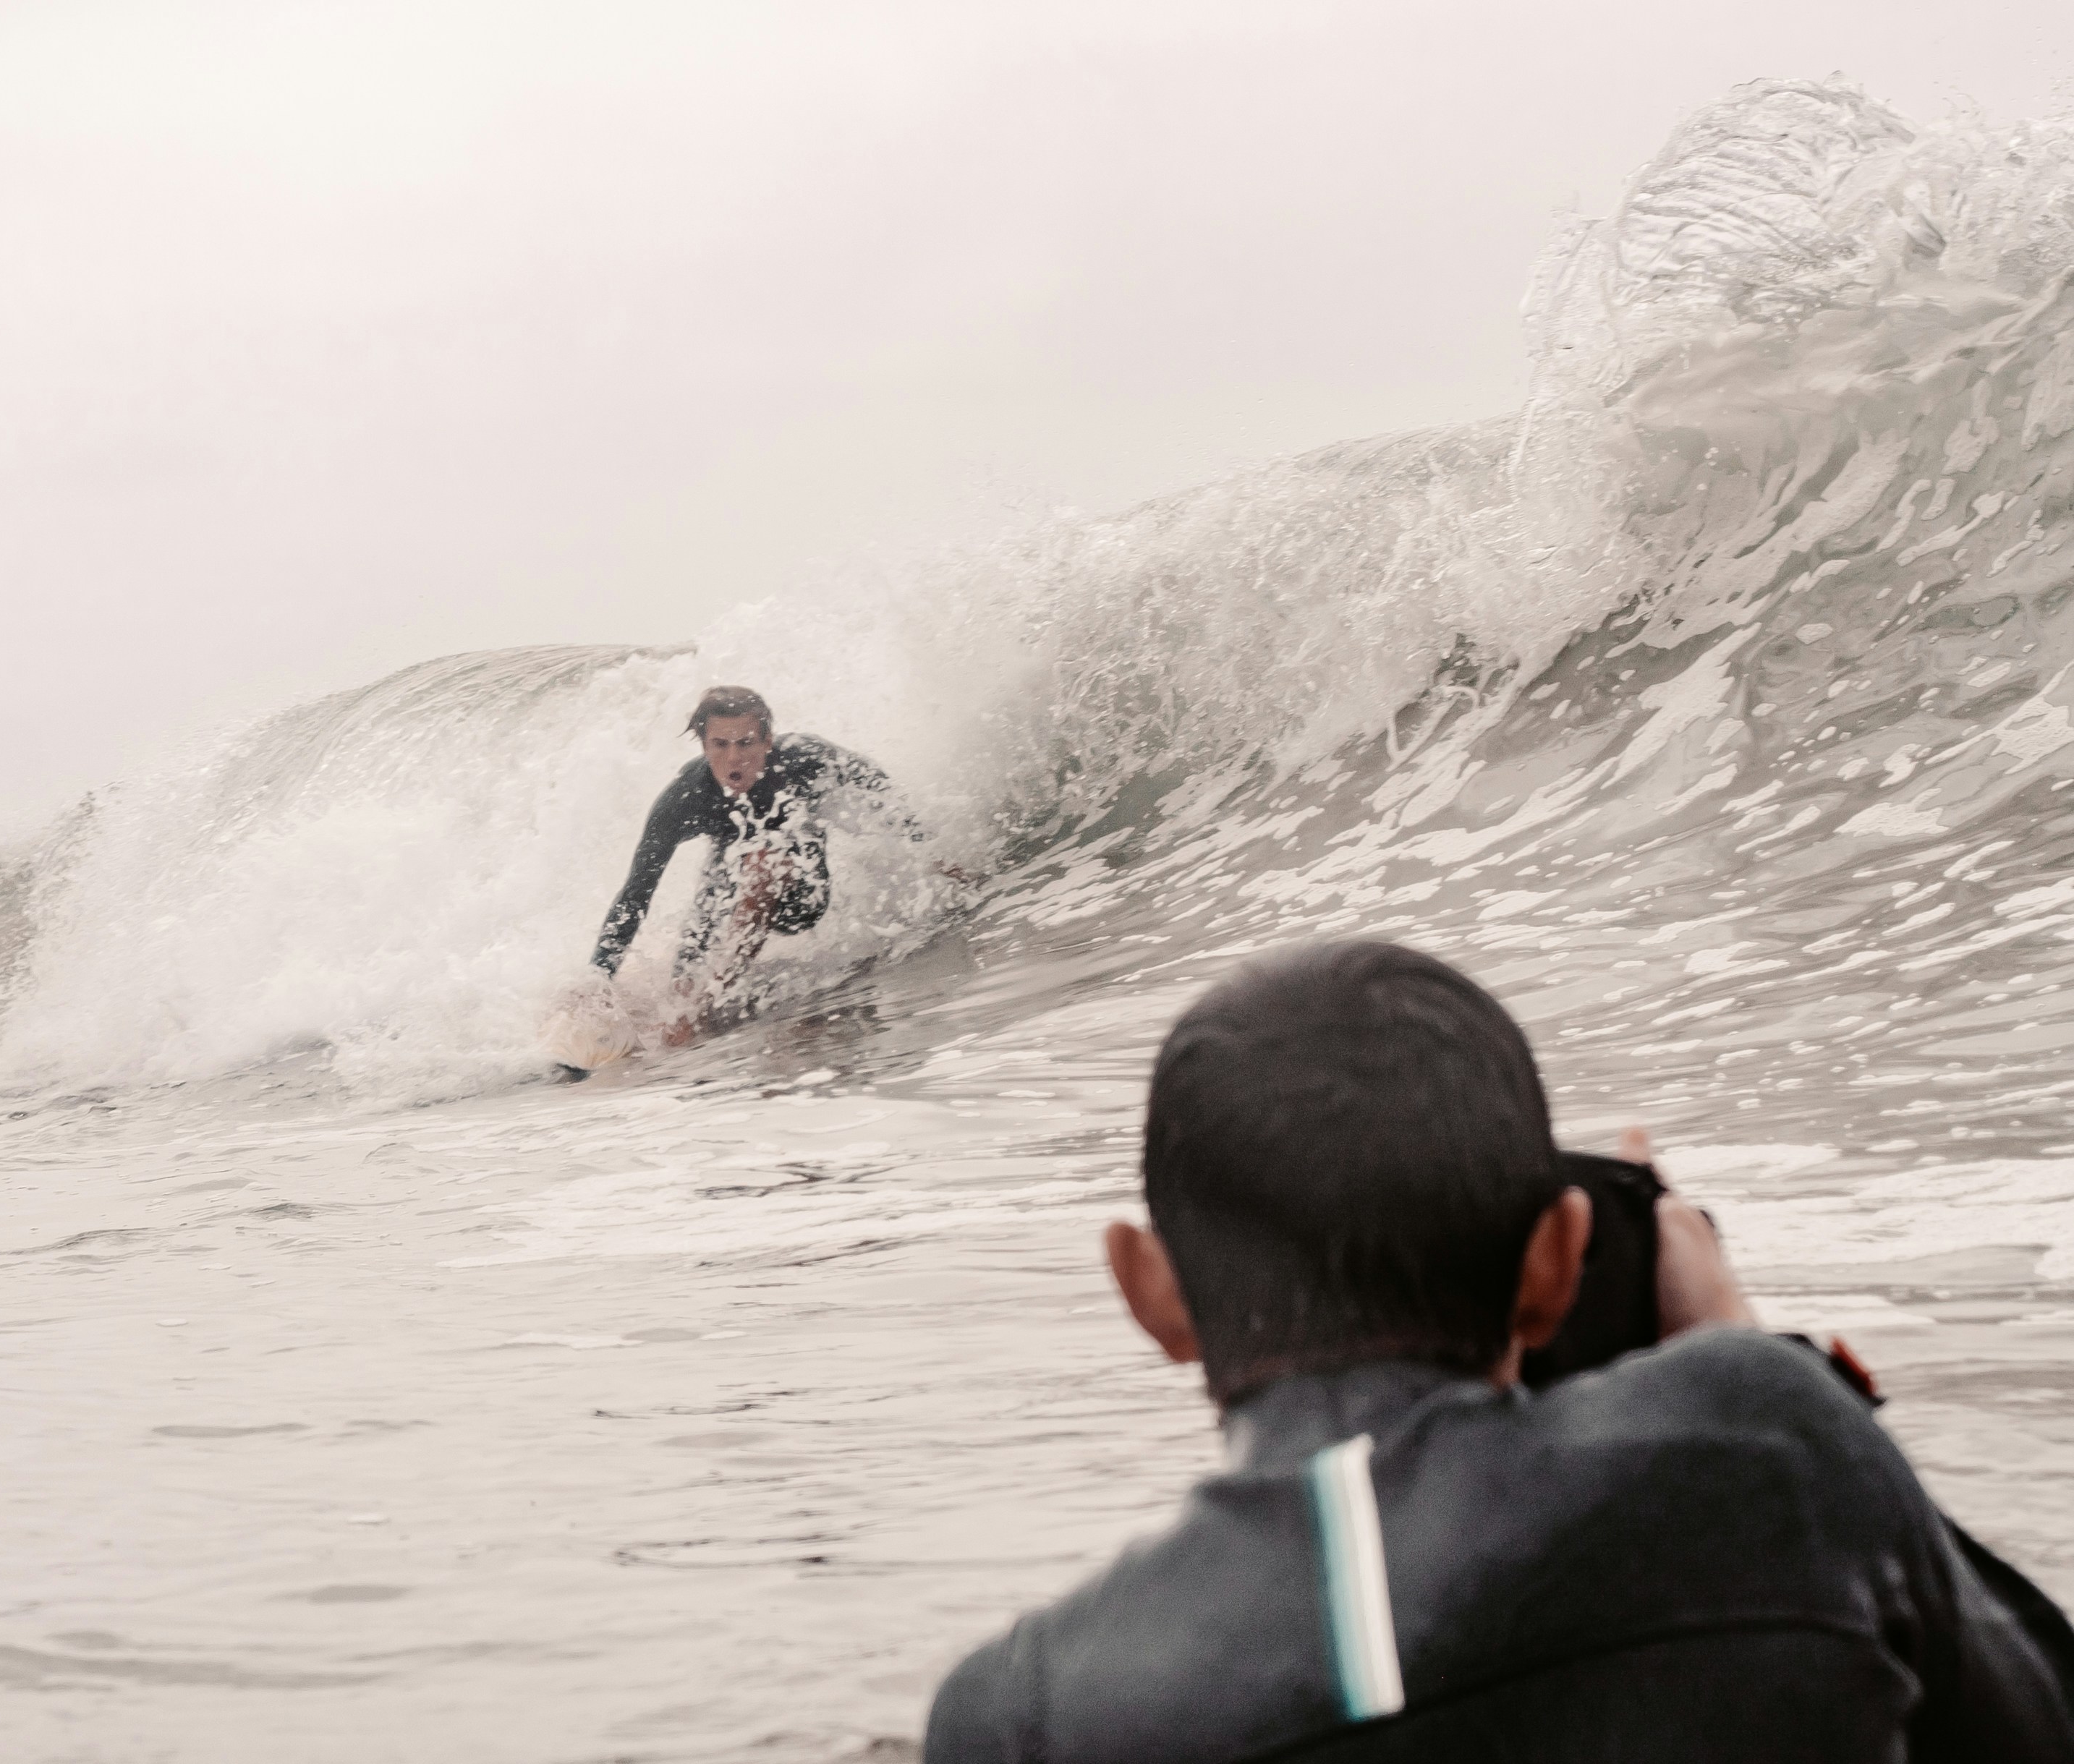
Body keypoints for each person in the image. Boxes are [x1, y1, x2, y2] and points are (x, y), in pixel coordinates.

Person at [927, 940, 2074, 1763]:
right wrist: (1751, 1349)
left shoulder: (1016, 1712)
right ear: (1554, 1259)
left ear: (1148, 1287)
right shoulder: (1760, 1439)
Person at [588, 686, 946, 1007]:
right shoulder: (685, 798)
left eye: (745, 743)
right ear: (704, 745)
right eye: (720, 745)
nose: (734, 758)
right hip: (727, 885)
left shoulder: (803, 758)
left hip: (802, 892)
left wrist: (934, 857)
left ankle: (710, 1000)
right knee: (683, 976)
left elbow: (876, 783)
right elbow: (635, 896)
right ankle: (673, 1010)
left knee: (764, 863)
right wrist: (598, 978)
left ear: (767, 741)